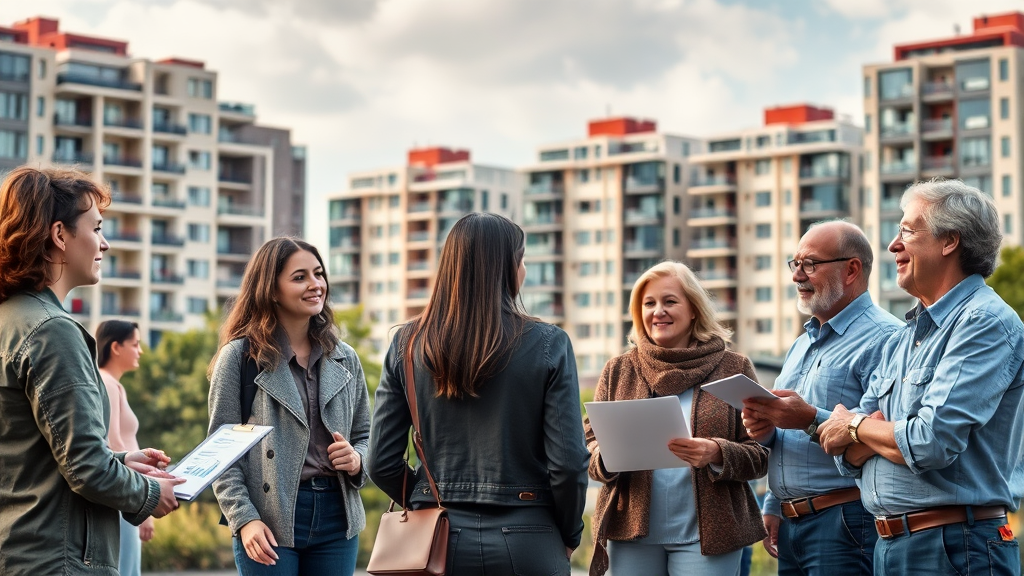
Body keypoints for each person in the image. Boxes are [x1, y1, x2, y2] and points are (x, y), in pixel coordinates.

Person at [818, 179, 1024, 576]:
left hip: (955, 547)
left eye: (908, 231)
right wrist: (868, 432)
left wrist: (858, 426)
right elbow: (841, 450)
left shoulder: (983, 322)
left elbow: (930, 442)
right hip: (892, 547)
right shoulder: (903, 337)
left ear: (950, 241)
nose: (894, 245)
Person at [367, 212, 589, 576]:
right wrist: (569, 532)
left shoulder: (407, 344)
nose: (524, 270)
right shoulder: (550, 344)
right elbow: (567, 463)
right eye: (522, 260)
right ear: (506, 267)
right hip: (530, 535)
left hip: (435, 542)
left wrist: (426, 498)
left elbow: (380, 461)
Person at [0, 166, 182, 575]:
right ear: (60, 235)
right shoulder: (53, 332)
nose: (106, 243)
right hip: (56, 559)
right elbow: (84, 468)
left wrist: (119, 459)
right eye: (97, 228)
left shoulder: (9, 320)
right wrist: (151, 493)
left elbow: (32, 451)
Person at [584, 260, 769, 576]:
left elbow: (761, 454)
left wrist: (717, 453)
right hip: (630, 534)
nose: (658, 311)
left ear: (694, 309)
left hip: (710, 538)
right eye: (649, 303)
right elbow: (591, 446)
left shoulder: (734, 367)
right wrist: (608, 456)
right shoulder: (618, 370)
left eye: (670, 301)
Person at [741, 221, 901, 575]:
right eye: (794, 263)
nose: (797, 274)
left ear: (851, 270)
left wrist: (809, 416)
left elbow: (881, 433)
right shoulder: (802, 344)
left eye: (810, 263)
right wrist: (765, 431)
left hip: (846, 520)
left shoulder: (887, 338)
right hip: (791, 521)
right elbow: (789, 434)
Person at [208, 237, 371, 576]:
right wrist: (245, 519)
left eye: (319, 274)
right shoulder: (240, 358)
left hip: (338, 520)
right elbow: (220, 455)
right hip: (269, 519)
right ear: (271, 290)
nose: (316, 285)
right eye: (300, 277)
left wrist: (357, 461)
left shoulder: (346, 358)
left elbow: (367, 435)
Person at [97, 320, 154, 576]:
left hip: (127, 492)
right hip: (125, 495)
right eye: (136, 344)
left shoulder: (113, 384)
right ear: (116, 347)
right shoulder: (107, 383)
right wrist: (145, 502)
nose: (140, 350)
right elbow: (115, 444)